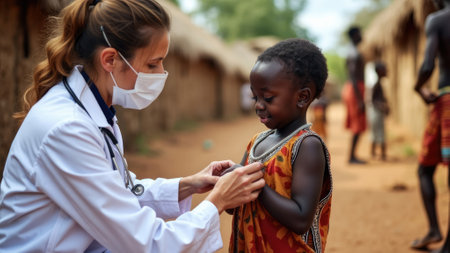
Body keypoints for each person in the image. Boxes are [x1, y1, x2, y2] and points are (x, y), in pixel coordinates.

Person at [0, 0, 266, 252]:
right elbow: (146, 243)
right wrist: (217, 201)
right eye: (152, 64)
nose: (161, 73)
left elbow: (118, 193)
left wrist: (188, 184)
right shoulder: (67, 129)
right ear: (110, 60)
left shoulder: (93, 111)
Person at [227, 39, 332, 252]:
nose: (258, 105)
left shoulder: (307, 146)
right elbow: (232, 208)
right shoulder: (256, 142)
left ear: (302, 97)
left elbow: (301, 218)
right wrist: (229, 181)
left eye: (267, 98)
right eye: (255, 97)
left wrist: (254, 185)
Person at [410, 0, 450, 252]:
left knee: (425, 169)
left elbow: (428, 65)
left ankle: (438, 232)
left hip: (446, 103)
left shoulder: (437, 20)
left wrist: (417, 88)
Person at [342, 26, 367, 164]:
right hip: (355, 89)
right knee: (357, 124)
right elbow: (353, 76)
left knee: (358, 124)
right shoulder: (354, 53)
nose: (362, 35)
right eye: (359, 33)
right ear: (354, 36)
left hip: (355, 88)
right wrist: (359, 99)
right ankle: (352, 157)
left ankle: (353, 155)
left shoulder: (353, 52)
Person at [368, 61, 389, 160]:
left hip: (376, 112)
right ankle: (382, 155)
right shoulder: (376, 84)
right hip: (376, 112)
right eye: (384, 69)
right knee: (380, 133)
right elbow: (372, 100)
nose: (386, 70)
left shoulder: (378, 83)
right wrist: (383, 106)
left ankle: (374, 153)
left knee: (376, 133)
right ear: (379, 71)